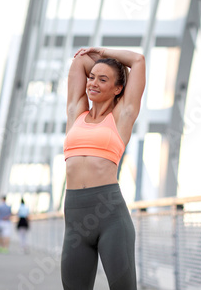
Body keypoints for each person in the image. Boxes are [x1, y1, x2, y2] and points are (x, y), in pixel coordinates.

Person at [61, 47, 145, 290]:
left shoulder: (122, 116)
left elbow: (138, 60)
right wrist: (104, 64)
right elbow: (79, 61)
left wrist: (105, 53)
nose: (93, 83)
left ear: (119, 88)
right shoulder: (75, 112)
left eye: (103, 79)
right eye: (92, 77)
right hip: (75, 222)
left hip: (111, 219)